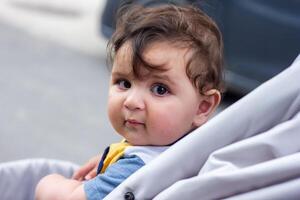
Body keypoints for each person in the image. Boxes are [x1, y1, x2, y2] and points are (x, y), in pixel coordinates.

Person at [35, 4, 224, 200]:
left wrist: (47, 182)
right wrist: (111, 162)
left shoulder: (136, 172)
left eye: (160, 89)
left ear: (203, 107)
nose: (132, 101)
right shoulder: (183, 154)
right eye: (124, 83)